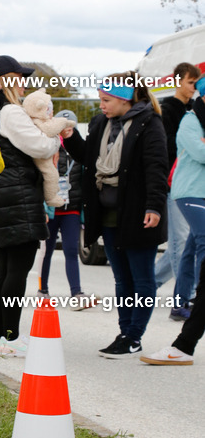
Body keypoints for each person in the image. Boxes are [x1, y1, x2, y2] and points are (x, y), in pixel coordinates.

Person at [64, 73, 168, 358]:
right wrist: (71, 138)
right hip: (107, 212)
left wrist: (154, 207)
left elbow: (157, 168)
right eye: (100, 99)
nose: (101, 105)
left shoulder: (149, 123)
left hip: (137, 212)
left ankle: (134, 336)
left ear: (124, 99)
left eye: (106, 100)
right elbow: (88, 158)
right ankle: (124, 333)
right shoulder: (100, 123)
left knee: (142, 279)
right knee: (122, 279)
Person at [0, 57, 60, 357]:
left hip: (4, 193)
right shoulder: (11, 111)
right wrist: (55, 142)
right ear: (4, 79)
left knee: (6, 268)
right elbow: (40, 146)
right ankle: (12, 339)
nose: (24, 82)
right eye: (19, 77)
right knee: (18, 269)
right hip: (18, 194)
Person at [154, 61, 201, 319]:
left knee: (182, 244)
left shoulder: (193, 108)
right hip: (175, 183)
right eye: (190, 82)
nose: (193, 88)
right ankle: (187, 296)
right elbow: (167, 148)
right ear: (177, 81)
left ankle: (148, 286)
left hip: (191, 182)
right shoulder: (168, 109)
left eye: (196, 83)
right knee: (181, 242)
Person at [37, 109, 96, 308]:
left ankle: (76, 293)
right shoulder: (49, 146)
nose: (66, 130)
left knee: (72, 249)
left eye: (70, 126)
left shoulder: (79, 148)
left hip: (71, 207)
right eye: (63, 126)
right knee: (47, 250)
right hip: (52, 207)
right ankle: (42, 290)